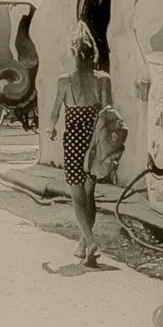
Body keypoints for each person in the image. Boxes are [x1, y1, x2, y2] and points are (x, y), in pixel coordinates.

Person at [48, 28, 112, 265]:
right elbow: (109, 113)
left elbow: (55, 112)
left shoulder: (64, 81)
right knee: (89, 195)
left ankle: (91, 241)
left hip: (74, 144)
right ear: (93, 54)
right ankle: (84, 246)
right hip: (95, 143)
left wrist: (51, 129)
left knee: (77, 198)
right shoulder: (103, 79)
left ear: (74, 54)